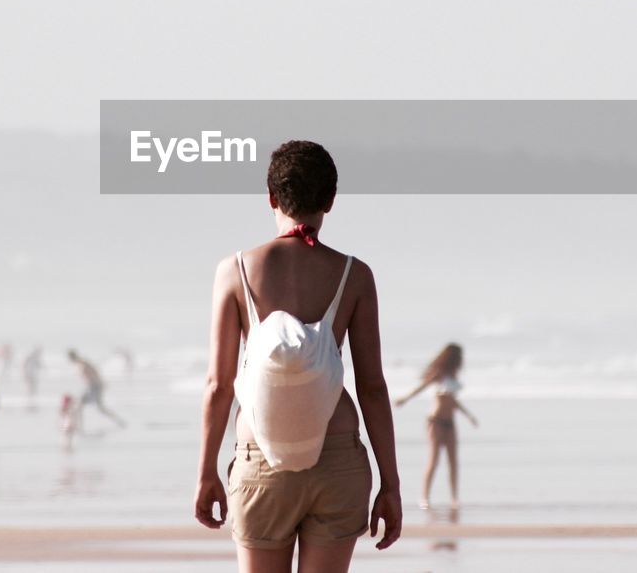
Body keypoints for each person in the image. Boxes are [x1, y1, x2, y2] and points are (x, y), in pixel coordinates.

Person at [194, 140, 402, 572]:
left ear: (271, 198)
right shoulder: (355, 275)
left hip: (261, 460)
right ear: (330, 200)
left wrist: (207, 471)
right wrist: (391, 483)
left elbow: (218, 384)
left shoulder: (234, 271)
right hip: (337, 460)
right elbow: (373, 387)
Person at [395, 343, 478, 509]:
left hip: (450, 423)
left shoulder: (454, 376)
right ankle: (424, 497)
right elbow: (422, 387)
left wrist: (468, 415)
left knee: (453, 460)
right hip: (435, 422)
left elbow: (453, 401)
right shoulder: (439, 374)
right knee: (434, 460)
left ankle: (454, 498)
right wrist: (404, 399)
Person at [66, 350, 126, 430]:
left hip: (94, 387)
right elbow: (94, 372)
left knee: (97, 408)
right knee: (81, 406)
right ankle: (80, 427)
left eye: (70, 358)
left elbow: (95, 372)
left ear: (72, 357)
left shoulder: (83, 363)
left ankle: (119, 421)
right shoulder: (81, 363)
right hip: (91, 387)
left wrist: (101, 383)